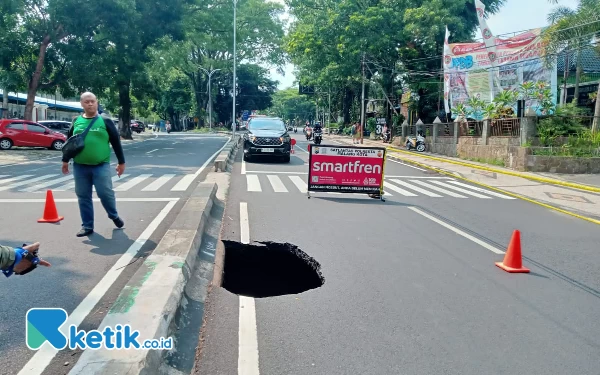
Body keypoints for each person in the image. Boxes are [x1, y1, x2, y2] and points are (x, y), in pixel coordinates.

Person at [62, 92, 126, 237]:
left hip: (100, 165)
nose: (90, 104)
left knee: (105, 193)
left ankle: (113, 215)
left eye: (92, 101)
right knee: (83, 196)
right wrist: (65, 160)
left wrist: (121, 162)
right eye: (86, 102)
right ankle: (87, 225)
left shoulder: (105, 120)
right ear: (81, 104)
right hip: (80, 166)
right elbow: (69, 143)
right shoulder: (76, 121)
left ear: (97, 102)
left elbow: (116, 142)